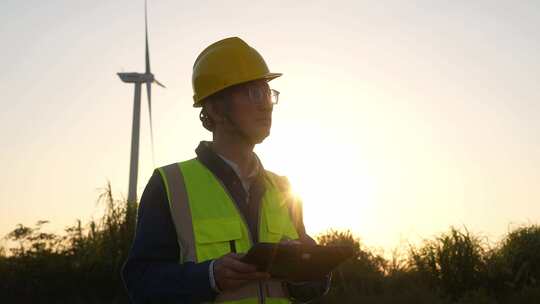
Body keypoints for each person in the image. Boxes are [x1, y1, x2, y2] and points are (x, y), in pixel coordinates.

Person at [122, 37, 330, 303]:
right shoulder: (170, 185)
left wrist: (308, 272)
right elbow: (141, 281)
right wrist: (209, 277)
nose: (265, 103)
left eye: (267, 93)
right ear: (216, 109)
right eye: (254, 93)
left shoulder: (285, 189)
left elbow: (312, 285)